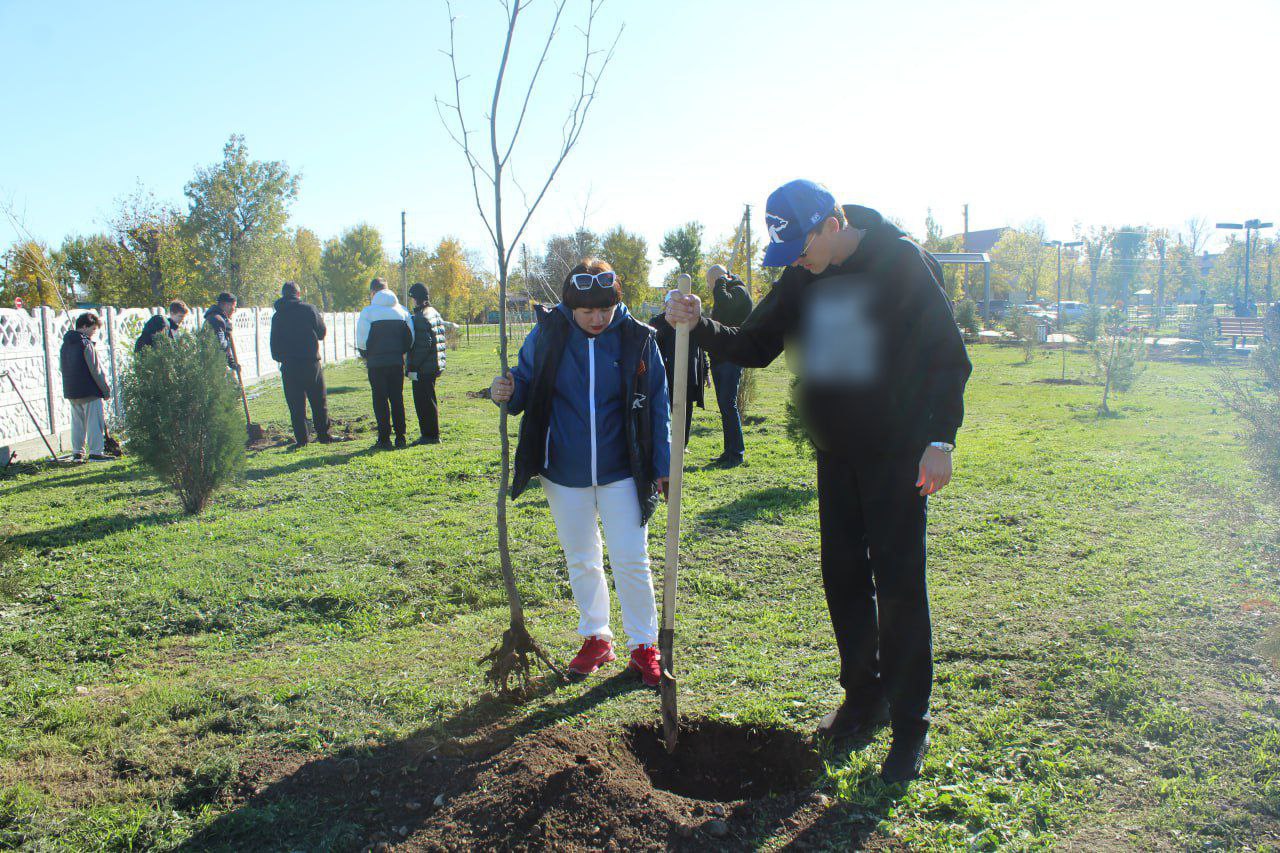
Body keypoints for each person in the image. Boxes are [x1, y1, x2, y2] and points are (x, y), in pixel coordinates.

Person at [665, 180, 972, 783]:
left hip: (899, 457)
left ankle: (910, 729)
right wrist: (699, 325)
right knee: (844, 579)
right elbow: (754, 344)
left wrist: (940, 439)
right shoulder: (805, 275)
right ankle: (864, 698)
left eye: (801, 248)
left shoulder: (900, 262)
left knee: (900, 586)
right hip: (836, 454)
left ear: (832, 225)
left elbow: (947, 355)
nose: (796, 263)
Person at [490, 258, 671, 687]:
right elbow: (525, 381)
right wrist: (509, 389)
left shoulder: (637, 339)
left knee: (631, 557)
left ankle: (644, 644)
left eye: (605, 309)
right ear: (571, 306)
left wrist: (663, 466)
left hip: (623, 469)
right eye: (587, 310)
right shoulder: (548, 334)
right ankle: (596, 637)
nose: (597, 318)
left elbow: (660, 404)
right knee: (581, 558)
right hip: (563, 470)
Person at [270, 281, 333, 448]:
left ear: (283, 295)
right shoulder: (308, 309)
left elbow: (273, 344)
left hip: (289, 365)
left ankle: (302, 439)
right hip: (310, 362)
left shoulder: (277, 316)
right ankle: (323, 435)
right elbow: (321, 332)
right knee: (318, 401)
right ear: (298, 294)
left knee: (296, 404)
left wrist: (280, 358)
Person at [356, 278, 413, 450]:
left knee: (380, 400)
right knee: (397, 398)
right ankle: (401, 437)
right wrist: (400, 353)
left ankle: (384, 438)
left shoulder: (368, 312)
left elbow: (362, 341)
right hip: (396, 362)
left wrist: (367, 355)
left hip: (376, 364)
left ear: (373, 292)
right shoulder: (402, 311)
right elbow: (410, 339)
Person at [705, 264, 753, 467]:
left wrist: (720, 281)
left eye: (710, 283)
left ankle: (736, 452)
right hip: (720, 357)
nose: (711, 289)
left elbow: (725, 303)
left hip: (731, 356)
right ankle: (729, 450)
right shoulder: (729, 291)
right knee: (725, 406)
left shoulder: (739, 291)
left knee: (729, 405)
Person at [649, 291, 708, 446]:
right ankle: (665, 441)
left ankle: (683, 443)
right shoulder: (657, 321)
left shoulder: (691, 320)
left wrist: (705, 370)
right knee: (663, 407)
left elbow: (701, 348)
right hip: (665, 372)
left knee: (686, 410)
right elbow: (653, 343)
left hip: (688, 371)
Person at [60, 311, 113, 463]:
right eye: (93, 329)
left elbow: (62, 368)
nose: (93, 333)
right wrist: (105, 390)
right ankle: (96, 452)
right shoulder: (85, 343)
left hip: (71, 390)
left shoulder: (65, 344)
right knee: (93, 422)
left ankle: (77, 453)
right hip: (89, 391)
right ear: (84, 327)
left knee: (77, 423)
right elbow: (95, 370)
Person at [406, 282, 447, 445]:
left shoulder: (421, 317)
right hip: (435, 364)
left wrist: (413, 365)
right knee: (429, 399)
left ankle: (430, 435)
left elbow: (424, 344)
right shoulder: (433, 312)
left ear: (416, 299)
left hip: (424, 367)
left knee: (423, 402)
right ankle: (431, 434)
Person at [203, 293, 240, 372]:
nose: (234, 310)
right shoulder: (217, 320)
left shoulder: (214, 317)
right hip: (215, 364)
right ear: (226, 305)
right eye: (234, 307)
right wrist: (232, 363)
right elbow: (221, 345)